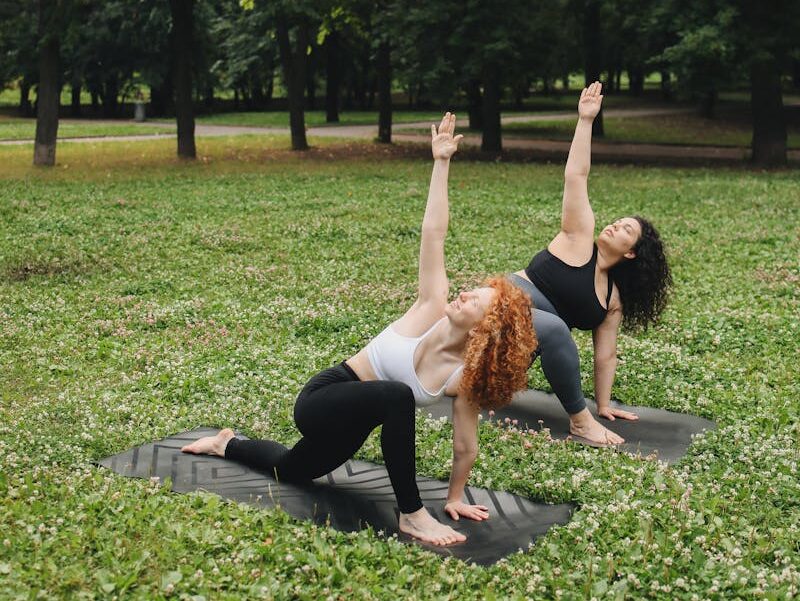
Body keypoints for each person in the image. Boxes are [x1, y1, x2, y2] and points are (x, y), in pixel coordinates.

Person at [181, 113, 538, 546]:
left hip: (356, 422)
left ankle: (226, 443)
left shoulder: (461, 377)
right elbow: (434, 234)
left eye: (474, 300)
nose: (463, 294)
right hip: (324, 398)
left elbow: (465, 444)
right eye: (469, 291)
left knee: (294, 469)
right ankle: (411, 514)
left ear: (486, 328)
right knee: (398, 394)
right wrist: (441, 163)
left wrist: (457, 495)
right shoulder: (430, 307)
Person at [510, 81, 672, 445]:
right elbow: (576, 176)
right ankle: (578, 421)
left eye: (626, 229)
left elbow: (606, 354)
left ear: (632, 252)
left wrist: (604, 404)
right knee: (554, 329)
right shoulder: (579, 236)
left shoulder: (612, 300)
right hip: (500, 306)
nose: (615, 224)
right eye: (619, 220)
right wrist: (585, 121)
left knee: (541, 338)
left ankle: (459, 377)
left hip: (515, 348)